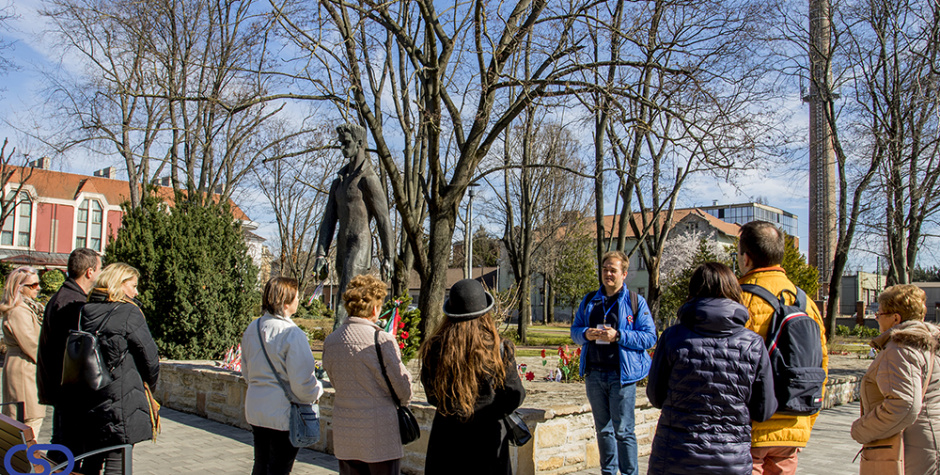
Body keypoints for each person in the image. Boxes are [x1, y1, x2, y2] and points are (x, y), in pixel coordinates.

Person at [647, 262, 777, 475]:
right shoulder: (752, 344)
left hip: (675, 456)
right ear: (734, 291)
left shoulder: (673, 337)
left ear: (693, 292)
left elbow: (656, 396)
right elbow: (764, 409)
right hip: (730, 458)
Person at [737, 220, 828, 475]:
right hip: (793, 424)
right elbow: (822, 365)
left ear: (746, 258)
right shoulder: (806, 303)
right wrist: (805, 424)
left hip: (749, 428)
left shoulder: (738, 299)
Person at [57, 263, 160, 474]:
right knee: (118, 460)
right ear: (120, 285)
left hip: (89, 394)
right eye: (133, 286)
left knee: (92, 459)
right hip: (121, 396)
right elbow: (150, 357)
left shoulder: (84, 311)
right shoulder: (129, 312)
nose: (136, 292)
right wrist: (149, 386)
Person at [420, 279, 525, 475]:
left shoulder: (434, 349)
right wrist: (491, 409)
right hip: (488, 437)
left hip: (446, 438)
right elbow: (515, 395)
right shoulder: (498, 348)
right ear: (485, 313)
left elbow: (432, 396)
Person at [570, 250, 657, 475]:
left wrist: (618, 336)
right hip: (595, 374)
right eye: (605, 269)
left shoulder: (635, 302)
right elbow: (575, 331)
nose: (608, 273)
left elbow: (649, 337)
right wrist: (586, 334)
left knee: (624, 431)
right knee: (603, 431)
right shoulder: (590, 300)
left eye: (613, 270)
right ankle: (608, 472)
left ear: (624, 274)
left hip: (621, 376)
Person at [323, 274, 413, 475]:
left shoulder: (331, 341)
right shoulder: (381, 340)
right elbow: (403, 389)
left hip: (345, 429)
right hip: (379, 431)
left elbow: (334, 378)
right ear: (375, 308)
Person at [851, 284, 940, 474]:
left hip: (910, 449)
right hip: (928, 441)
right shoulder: (929, 345)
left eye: (879, 315)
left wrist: (861, 429)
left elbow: (904, 405)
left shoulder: (901, 350)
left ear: (895, 318)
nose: (877, 320)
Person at [313, 123, 395, 329]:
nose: (342, 148)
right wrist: (321, 255)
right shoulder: (338, 182)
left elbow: (384, 219)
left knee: (347, 295)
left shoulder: (368, 179)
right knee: (349, 297)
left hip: (360, 242)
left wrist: (388, 256)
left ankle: (336, 345)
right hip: (342, 242)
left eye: (346, 143)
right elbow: (328, 220)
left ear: (359, 144)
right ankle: (351, 341)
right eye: (340, 143)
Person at [242, 277, 324, 475]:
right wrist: (317, 390)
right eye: (296, 297)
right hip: (282, 413)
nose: (299, 300)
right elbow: (302, 382)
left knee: (261, 465)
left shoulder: (252, 328)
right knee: (279, 468)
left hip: (256, 408)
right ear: (286, 302)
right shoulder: (292, 333)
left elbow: (246, 371)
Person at [37, 248, 102, 456]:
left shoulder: (62, 296)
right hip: (69, 390)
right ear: (90, 272)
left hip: (61, 388)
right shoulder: (73, 303)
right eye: (99, 269)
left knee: (62, 444)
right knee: (67, 448)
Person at [0, 266, 45, 437]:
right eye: (33, 285)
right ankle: (24, 463)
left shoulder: (27, 308)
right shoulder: (19, 311)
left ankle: (20, 461)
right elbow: (32, 345)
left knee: (25, 420)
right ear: (20, 287)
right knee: (29, 421)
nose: (38, 288)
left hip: (23, 367)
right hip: (24, 369)